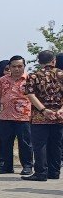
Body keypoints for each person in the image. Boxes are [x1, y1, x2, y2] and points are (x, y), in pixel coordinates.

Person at [23, 49, 63, 182]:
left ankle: (40, 172)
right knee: (56, 144)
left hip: (40, 117)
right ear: (54, 60)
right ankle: (54, 172)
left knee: (40, 145)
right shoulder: (61, 75)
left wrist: (43, 110)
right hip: (59, 116)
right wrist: (61, 110)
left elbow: (30, 94)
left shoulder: (34, 76)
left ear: (39, 61)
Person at [0, 56, 34, 175]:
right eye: (14, 66)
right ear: (9, 67)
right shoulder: (2, 80)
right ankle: (6, 166)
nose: (17, 69)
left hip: (24, 117)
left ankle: (27, 166)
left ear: (24, 66)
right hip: (5, 116)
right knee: (5, 142)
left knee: (25, 143)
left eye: (20, 66)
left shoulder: (30, 79)